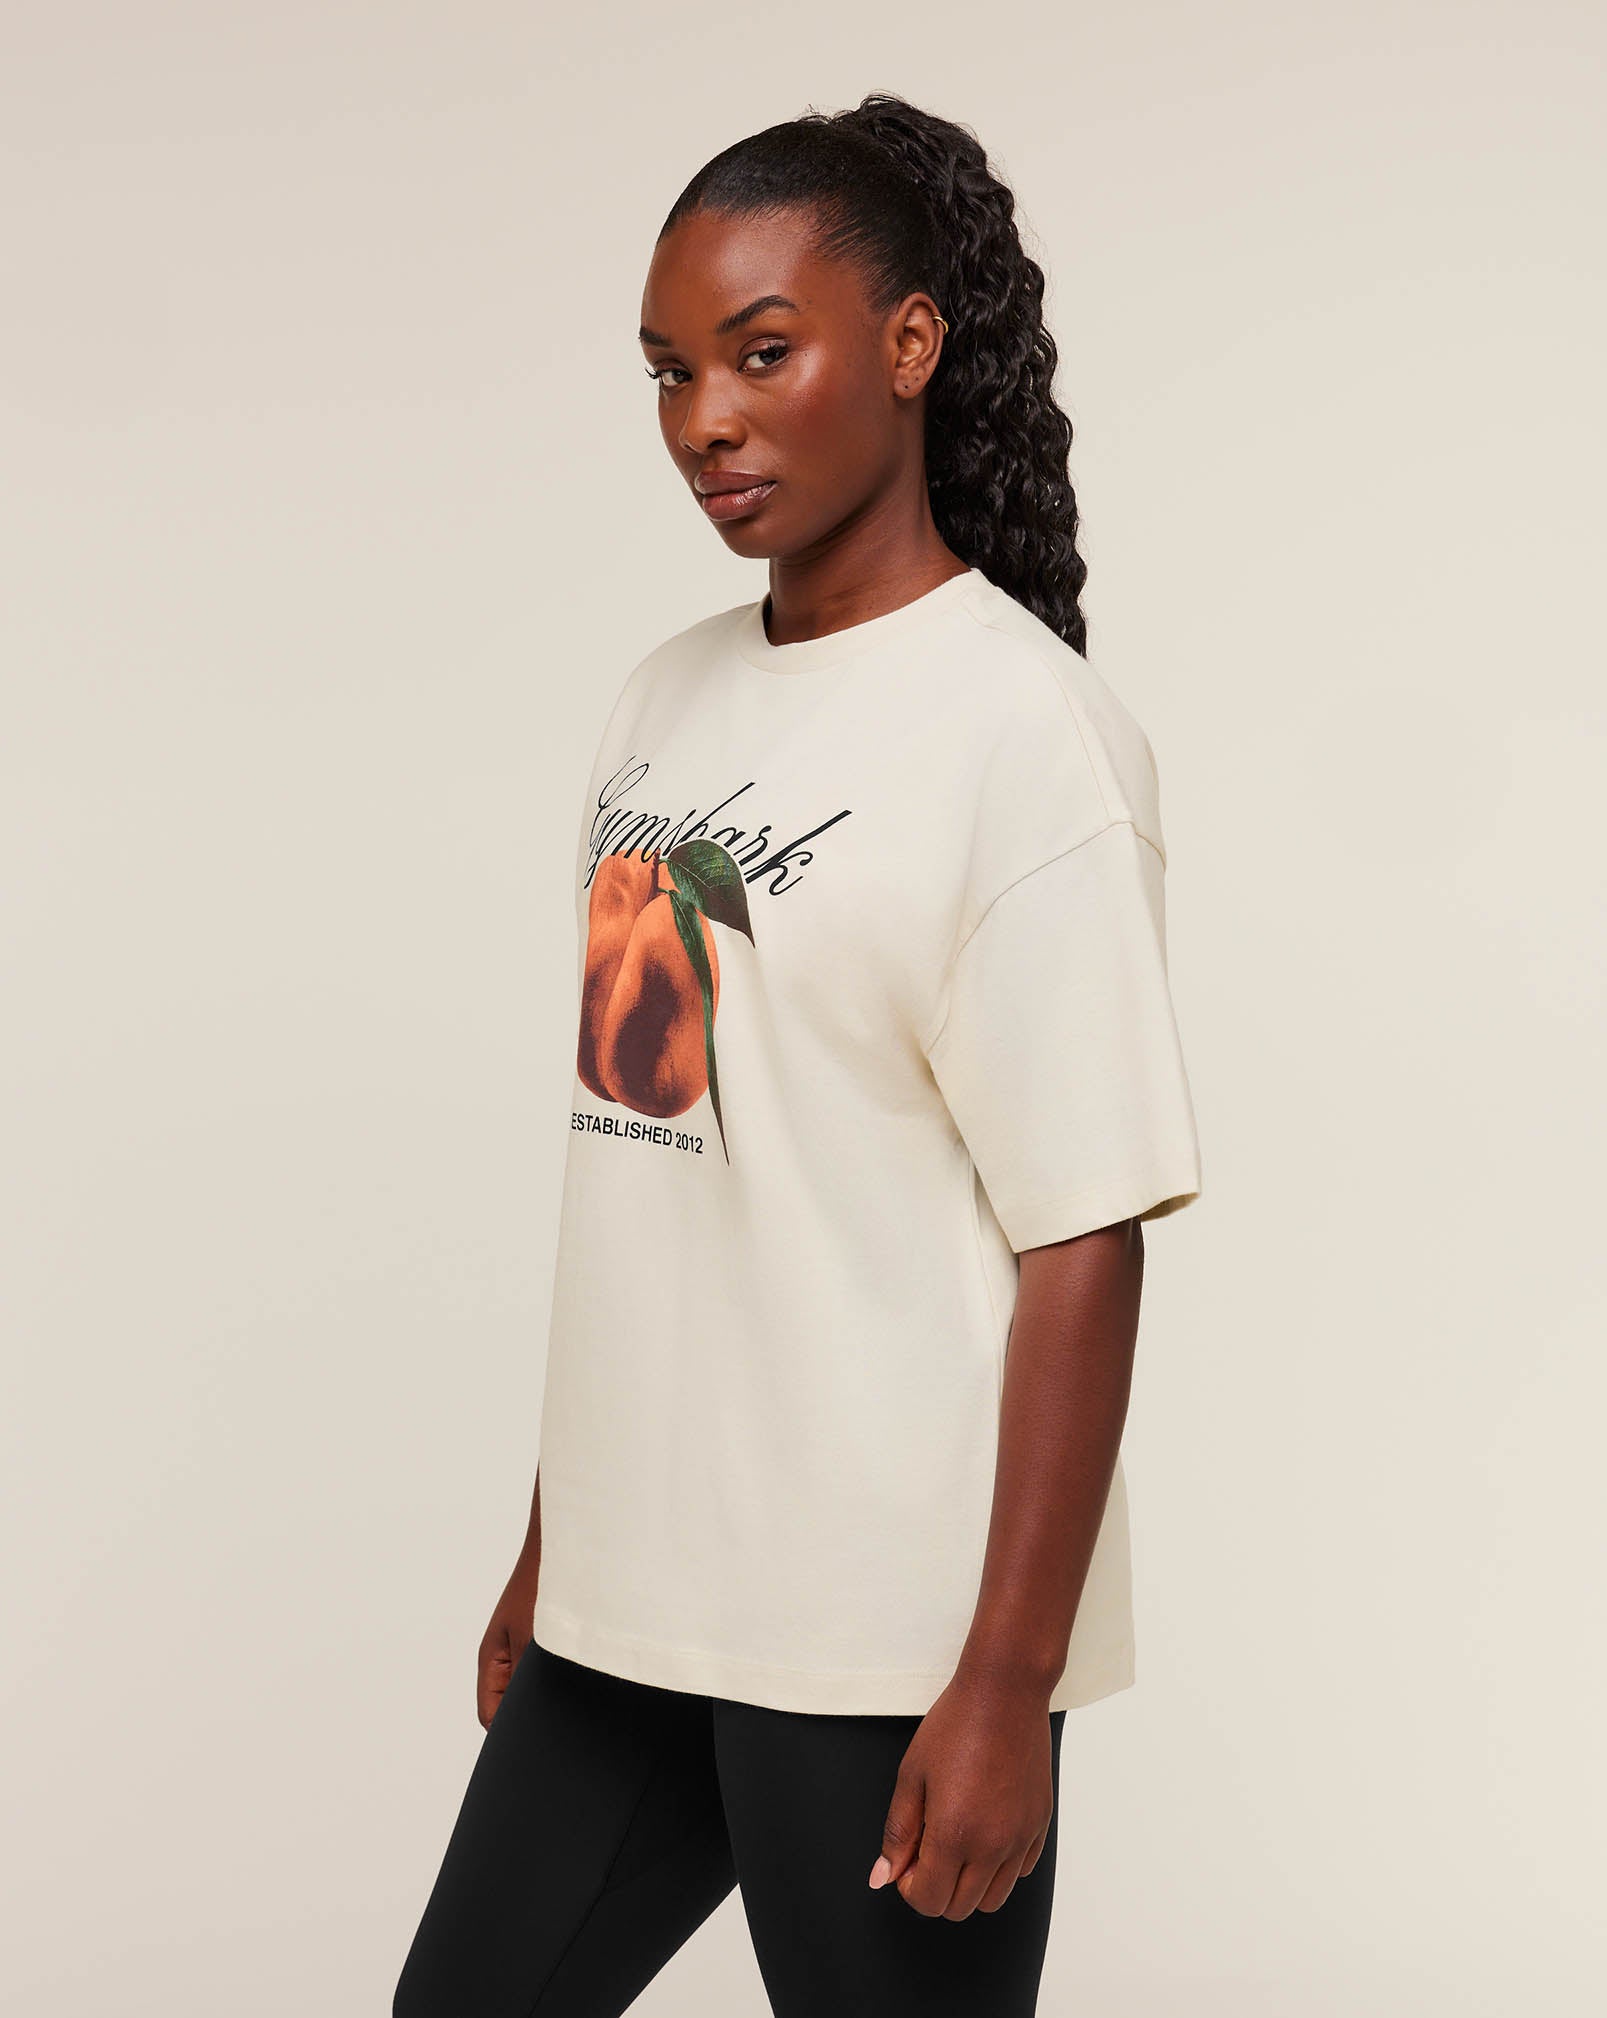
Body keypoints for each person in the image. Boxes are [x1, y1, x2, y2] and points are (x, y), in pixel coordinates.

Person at [393, 90, 1203, 2018]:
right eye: (670, 371)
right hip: (633, 1610)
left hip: (882, 1641)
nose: (705, 420)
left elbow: (1083, 1237)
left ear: (912, 343)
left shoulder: (1026, 740)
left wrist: (1005, 1680)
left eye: (763, 353)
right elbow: (659, 1153)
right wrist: (557, 1545)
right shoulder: (664, 702)